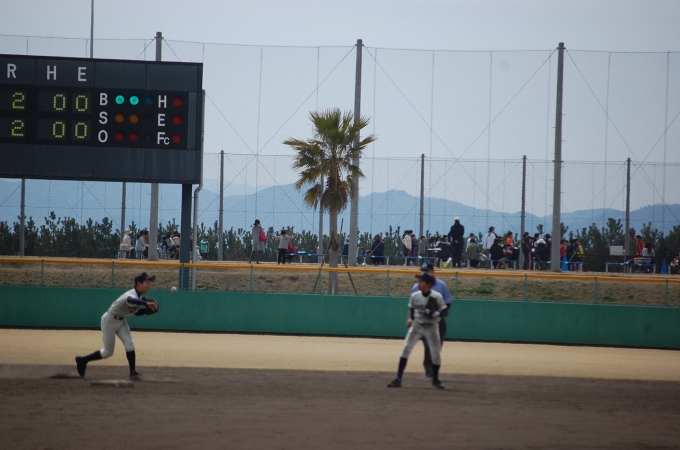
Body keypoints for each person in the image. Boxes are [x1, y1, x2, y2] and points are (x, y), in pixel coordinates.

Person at [75, 272, 159, 381]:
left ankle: (133, 373)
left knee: (130, 345)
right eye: (147, 282)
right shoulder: (130, 295)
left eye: (149, 283)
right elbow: (130, 300)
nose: (149, 285)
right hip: (109, 321)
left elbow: (135, 312)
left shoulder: (139, 297)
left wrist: (147, 310)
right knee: (108, 352)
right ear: (139, 283)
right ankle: (83, 360)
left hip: (121, 321)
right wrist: (146, 304)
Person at [387, 271, 446, 390]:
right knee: (405, 350)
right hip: (417, 326)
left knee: (435, 354)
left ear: (428, 284)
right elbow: (412, 309)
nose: (419, 283)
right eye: (419, 281)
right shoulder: (415, 296)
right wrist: (410, 318)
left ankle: (435, 379)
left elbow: (445, 311)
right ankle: (398, 379)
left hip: (431, 327)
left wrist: (436, 313)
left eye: (421, 281)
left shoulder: (437, 296)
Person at [410, 262, 452, 381]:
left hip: (438, 321)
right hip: (424, 321)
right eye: (423, 270)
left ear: (433, 272)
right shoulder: (416, 287)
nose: (424, 273)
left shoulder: (441, 285)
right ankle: (429, 372)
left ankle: (433, 370)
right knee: (428, 346)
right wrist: (412, 318)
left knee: (437, 347)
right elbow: (413, 306)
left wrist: (438, 314)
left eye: (427, 270)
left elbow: (448, 303)